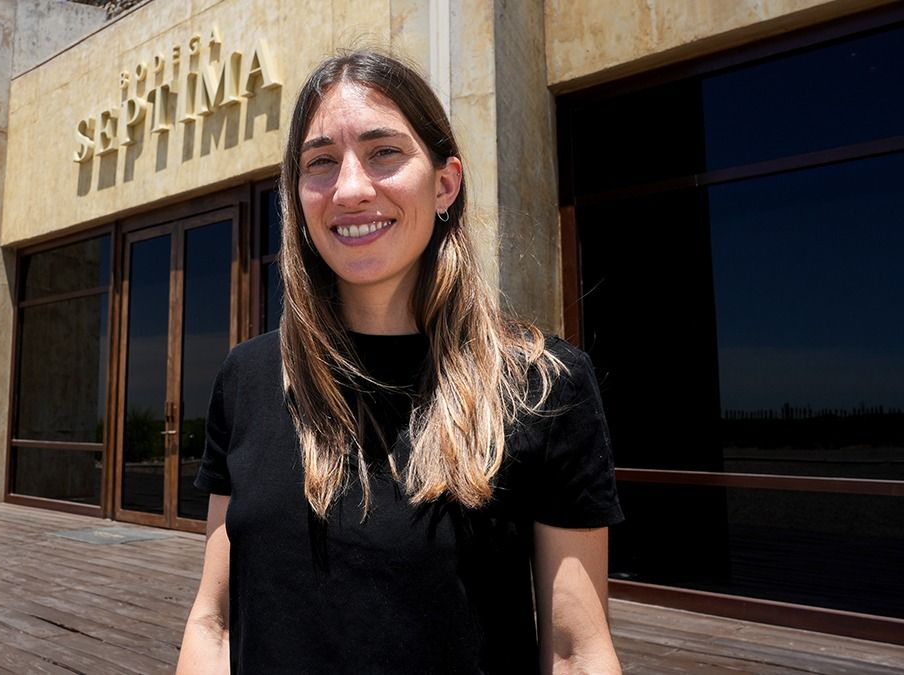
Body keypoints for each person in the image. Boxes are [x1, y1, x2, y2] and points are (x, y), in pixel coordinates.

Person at [177, 50, 623, 675]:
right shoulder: (248, 379)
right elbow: (215, 622)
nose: (351, 188)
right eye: (321, 163)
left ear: (445, 183)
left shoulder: (541, 384)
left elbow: (577, 651)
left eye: (384, 152)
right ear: (298, 197)